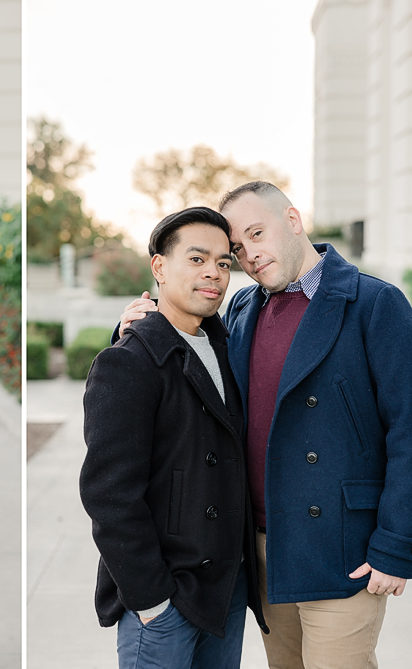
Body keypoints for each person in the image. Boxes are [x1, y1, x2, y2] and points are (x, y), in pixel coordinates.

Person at [117, 181, 412, 669]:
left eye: (257, 233)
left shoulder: (374, 303)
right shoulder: (243, 310)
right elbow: (185, 364)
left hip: (343, 550)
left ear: (292, 221)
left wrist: (397, 546)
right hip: (264, 552)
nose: (250, 256)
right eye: (238, 250)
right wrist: (134, 329)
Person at [81, 207, 267, 669]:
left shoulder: (227, 348)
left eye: (224, 263)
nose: (214, 274)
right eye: (197, 259)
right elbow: (109, 496)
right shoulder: (126, 362)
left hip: (225, 587)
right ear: (159, 267)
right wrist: (151, 601)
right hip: (167, 599)